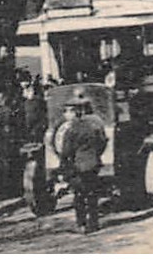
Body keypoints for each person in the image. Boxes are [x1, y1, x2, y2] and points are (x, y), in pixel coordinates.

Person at [57, 95, 108, 234]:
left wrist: (63, 169)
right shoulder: (94, 126)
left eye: (67, 111)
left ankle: (82, 224)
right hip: (93, 165)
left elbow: (66, 152)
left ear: (74, 112)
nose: (65, 114)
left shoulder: (71, 130)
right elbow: (102, 143)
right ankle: (94, 223)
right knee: (92, 195)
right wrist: (95, 156)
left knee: (79, 196)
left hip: (78, 167)